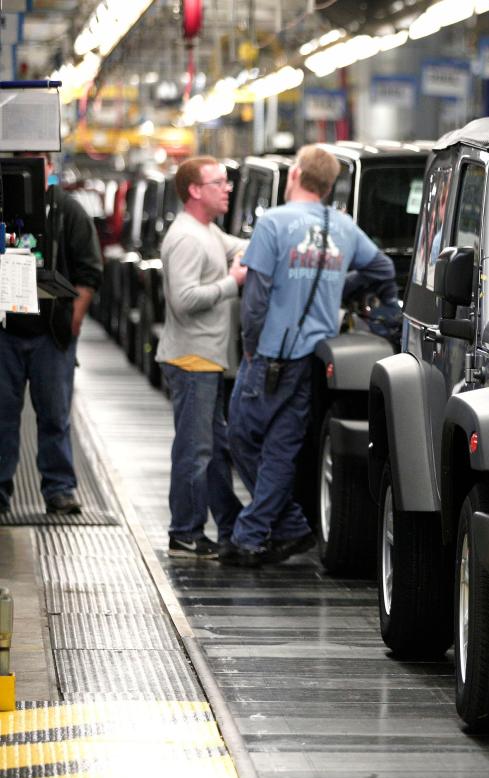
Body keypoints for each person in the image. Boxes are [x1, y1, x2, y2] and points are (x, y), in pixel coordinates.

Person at [225, 145, 397, 567]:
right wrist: (339, 286)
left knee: (241, 436)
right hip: (312, 358)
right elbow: (384, 271)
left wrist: (249, 346)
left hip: (270, 354)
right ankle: (279, 529)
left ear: (296, 174)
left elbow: (257, 296)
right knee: (282, 447)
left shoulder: (273, 223)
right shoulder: (343, 226)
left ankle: (265, 528)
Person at [156, 157, 248, 558]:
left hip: (206, 359)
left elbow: (240, 246)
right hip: (192, 360)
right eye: (219, 183)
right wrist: (233, 282)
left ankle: (229, 524)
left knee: (213, 449)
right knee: (195, 451)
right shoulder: (187, 238)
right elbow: (184, 300)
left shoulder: (208, 230)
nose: (227, 188)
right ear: (195, 190)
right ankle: (184, 530)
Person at [0, 152, 101, 516]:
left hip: (51, 335)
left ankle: (60, 488)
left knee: (55, 415)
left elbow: (89, 271)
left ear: (48, 166)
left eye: (36, 162)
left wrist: (71, 322)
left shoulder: (67, 211)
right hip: (6, 332)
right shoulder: (2, 210)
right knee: (2, 416)